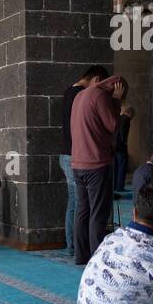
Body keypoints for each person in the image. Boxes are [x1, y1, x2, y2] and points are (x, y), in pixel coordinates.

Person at [70, 74, 128, 265]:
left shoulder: (80, 95)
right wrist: (117, 101)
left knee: (83, 210)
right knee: (98, 213)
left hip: (78, 163)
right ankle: (97, 258)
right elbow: (112, 125)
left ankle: (81, 255)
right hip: (96, 163)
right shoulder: (101, 96)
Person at [59, 65, 108, 252]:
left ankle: (75, 246)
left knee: (75, 203)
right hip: (76, 155)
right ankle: (75, 246)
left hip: (67, 153)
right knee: (80, 204)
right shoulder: (81, 94)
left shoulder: (69, 92)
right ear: (95, 79)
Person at [113, 105, 134, 192]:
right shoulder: (126, 119)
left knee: (115, 167)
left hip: (114, 146)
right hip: (121, 147)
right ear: (129, 113)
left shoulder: (117, 118)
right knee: (122, 167)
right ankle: (120, 187)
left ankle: (114, 186)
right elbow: (123, 132)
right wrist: (124, 141)